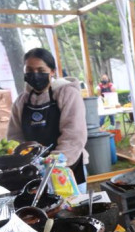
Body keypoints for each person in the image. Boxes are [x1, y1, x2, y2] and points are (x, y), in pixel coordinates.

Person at [8, 47, 88, 191]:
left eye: (41, 70)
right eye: (30, 70)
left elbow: (74, 134)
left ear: (52, 71)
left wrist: (53, 163)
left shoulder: (67, 94)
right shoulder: (21, 101)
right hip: (33, 170)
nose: (35, 74)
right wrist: (24, 161)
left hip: (67, 167)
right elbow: (15, 137)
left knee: (71, 210)